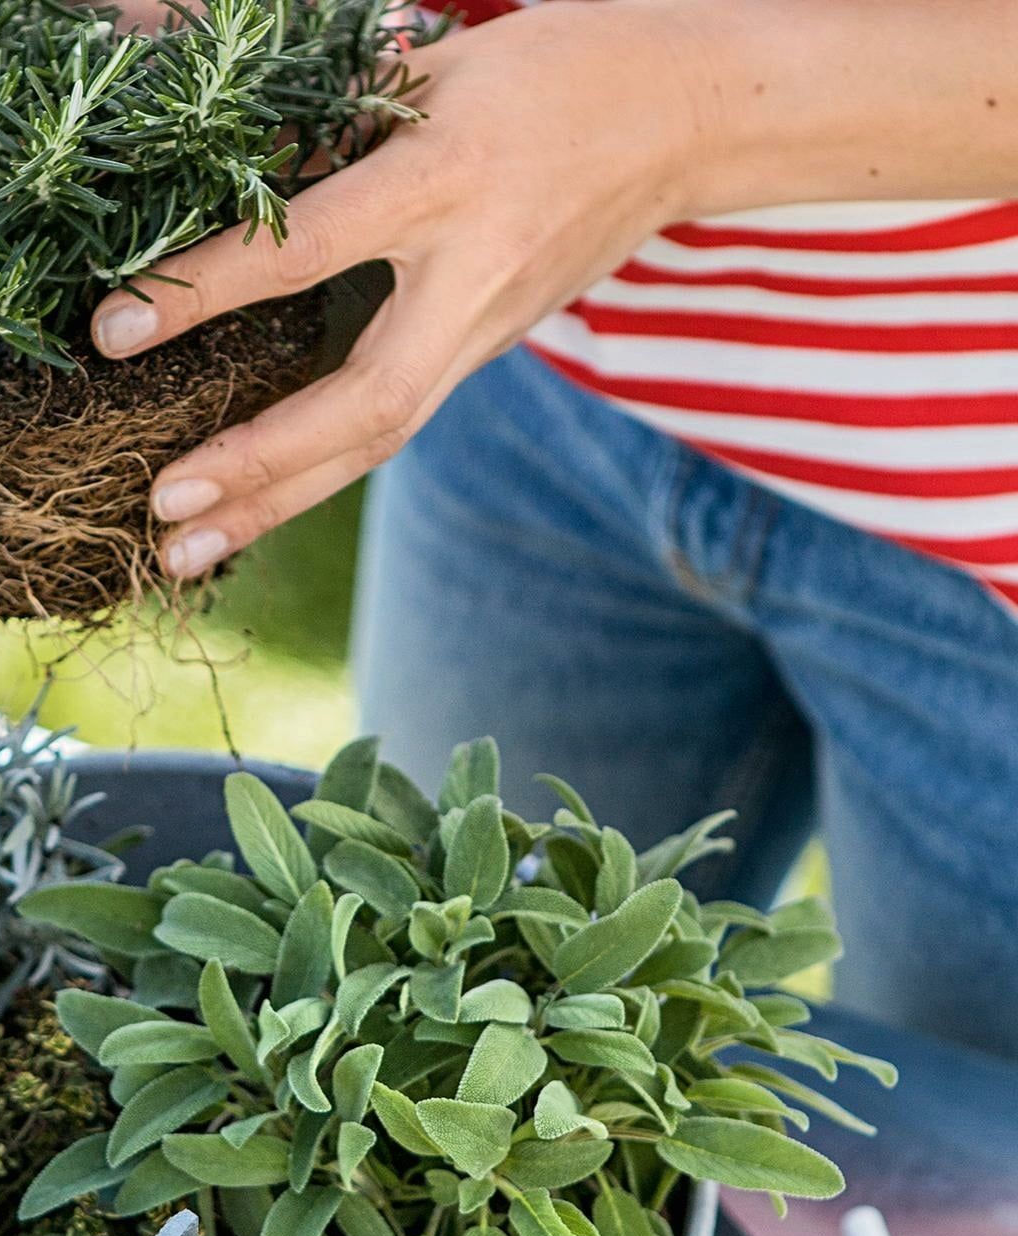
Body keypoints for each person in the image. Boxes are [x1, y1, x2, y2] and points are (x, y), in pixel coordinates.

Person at [90, 0, 1018, 1058]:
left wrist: (685, 109)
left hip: (984, 484)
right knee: (421, 1036)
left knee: (963, 1177)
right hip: (526, 347)